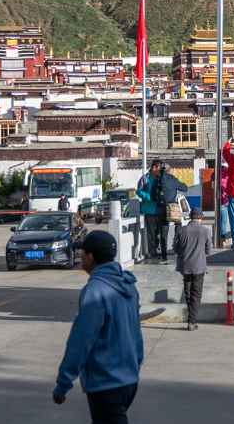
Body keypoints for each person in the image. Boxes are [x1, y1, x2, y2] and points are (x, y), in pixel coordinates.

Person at [52, 231, 144, 424]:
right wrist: (135, 364)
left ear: (91, 257)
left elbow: (80, 342)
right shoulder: (128, 286)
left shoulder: (95, 292)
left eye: (82, 253)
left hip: (106, 383)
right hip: (129, 380)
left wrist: (63, 384)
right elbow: (136, 334)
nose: (80, 257)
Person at [173, 208, 212, 330]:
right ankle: (192, 321)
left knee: (188, 293)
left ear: (190, 217)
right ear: (200, 218)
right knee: (196, 294)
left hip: (185, 266)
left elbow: (175, 248)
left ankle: (191, 319)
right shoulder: (205, 231)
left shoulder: (181, 230)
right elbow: (208, 250)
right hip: (199, 266)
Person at [157, 164, 189, 259]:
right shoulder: (173, 179)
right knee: (178, 224)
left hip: (161, 208)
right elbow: (185, 188)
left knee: (163, 231)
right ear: (169, 170)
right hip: (172, 208)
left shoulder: (157, 180)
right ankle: (176, 244)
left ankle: (164, 255)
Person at [135, 161, 163, 264]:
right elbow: (138, 191)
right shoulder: (145, 178)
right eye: (158, 168)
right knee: (151, 233)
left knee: (159, 232)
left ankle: (157, 249)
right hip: (149, 210)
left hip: (160, 210)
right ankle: (152, 252)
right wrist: (148, 197)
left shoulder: (160, 178)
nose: (159, 170)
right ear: (153, 168)